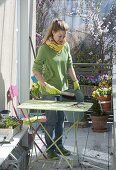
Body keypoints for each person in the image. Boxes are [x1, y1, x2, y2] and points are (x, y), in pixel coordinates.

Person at [32, 18, 80, 159]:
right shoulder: (44, 49)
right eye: (60, 36)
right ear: (52, 33)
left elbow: (69, 65)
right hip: (49, 92)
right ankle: (50, 148)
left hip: (63, 90)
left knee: (61, 120)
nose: (62, 39)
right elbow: (36, 69)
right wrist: (45, 85)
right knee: (51, 121)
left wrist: (75, 81)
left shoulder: (65, 47)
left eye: (64, 36)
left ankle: (59, 146)